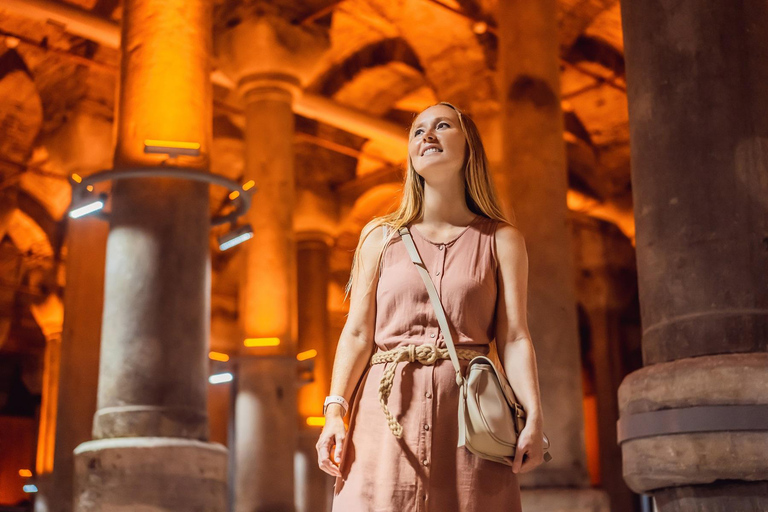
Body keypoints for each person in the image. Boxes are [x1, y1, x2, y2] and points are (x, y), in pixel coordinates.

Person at [315, 101, 546, 511]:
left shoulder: (502, 240)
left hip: (470, 417)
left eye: (443, 125)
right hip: (383, 416)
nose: (427, 135)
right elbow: (355, 333)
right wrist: (335, 410)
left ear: (469, 146)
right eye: (417, 131)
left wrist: (533, 415)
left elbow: (514, 336)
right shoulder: (379, 237)